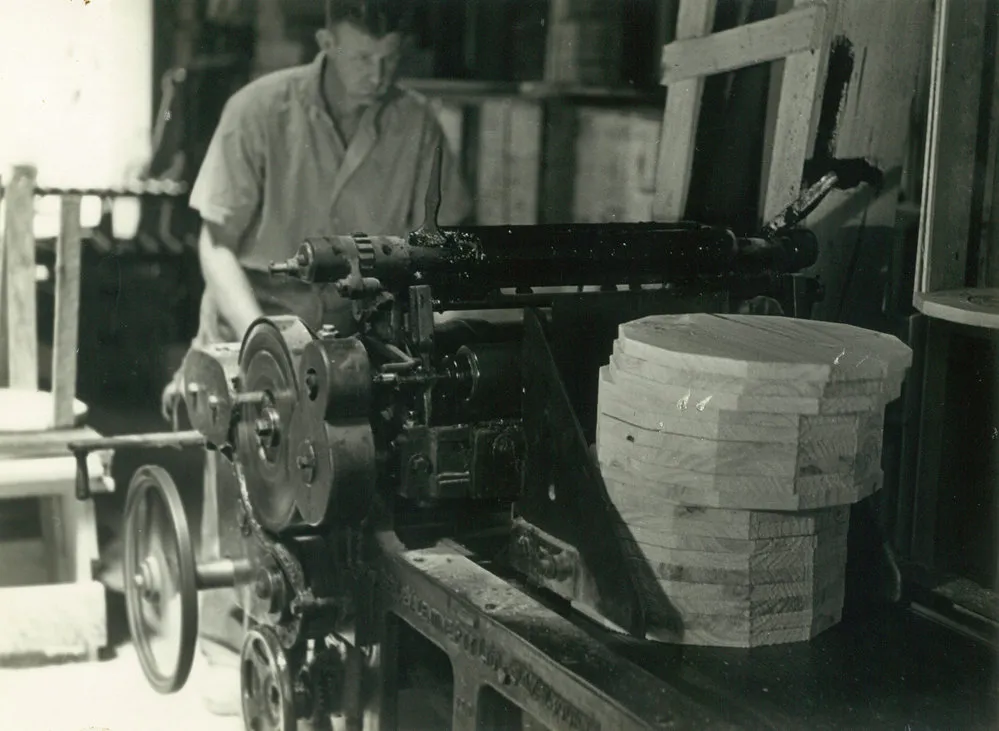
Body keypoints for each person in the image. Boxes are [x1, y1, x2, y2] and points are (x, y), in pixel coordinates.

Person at [162, 0, 472, 715]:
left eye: (391, 59)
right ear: (326, 41)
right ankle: (234, 639)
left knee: (353, 485)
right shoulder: (258, 111)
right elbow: (214, 244)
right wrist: (262, 347)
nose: (379, 74)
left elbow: (435, 250)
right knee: (255, 488)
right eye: (364, 58)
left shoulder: (418, 126)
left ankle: (343, 631)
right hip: (253, 321)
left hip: (354, 337)